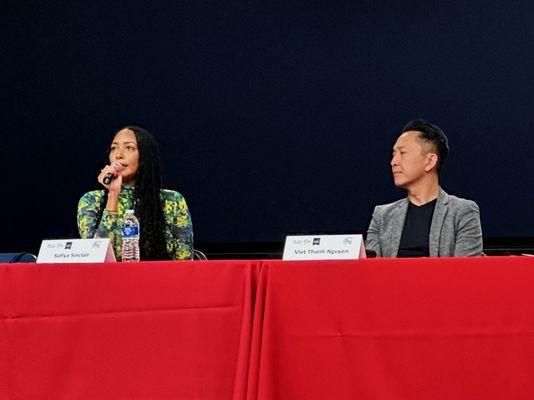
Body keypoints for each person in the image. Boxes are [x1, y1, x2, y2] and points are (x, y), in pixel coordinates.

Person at [366, 119, 483, 257]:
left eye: (402, 153)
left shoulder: (463, 212)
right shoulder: (382, 216)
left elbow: (465, 273)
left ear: (430, 161)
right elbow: (372, 272)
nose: (393, 162)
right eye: (393, 154)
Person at [77, 126, 193, 261]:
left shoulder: (171, 200)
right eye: (114, 148)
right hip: (108, 280)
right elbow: (95, 257)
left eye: (129, 148)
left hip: (159, 279)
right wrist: (113, 195)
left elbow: (184, 260)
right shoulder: (91, 201)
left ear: (145, 156)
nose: (118, 155)